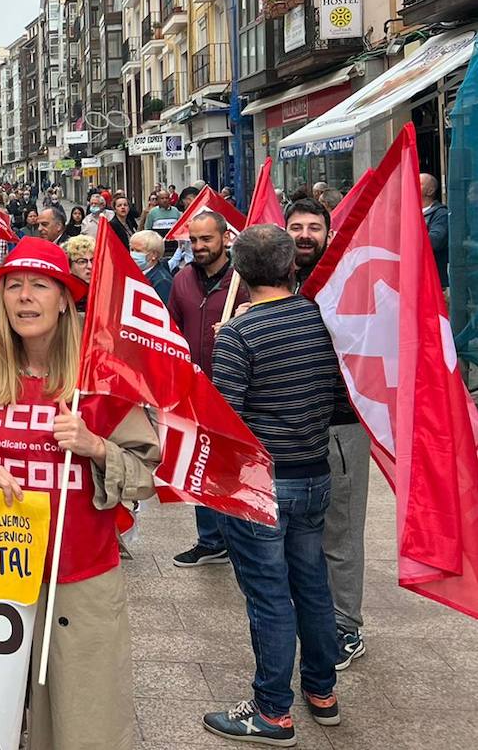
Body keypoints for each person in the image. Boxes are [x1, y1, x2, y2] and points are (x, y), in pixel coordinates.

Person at [0, 240, 160, 750]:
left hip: (80, 578)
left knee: (82, 727)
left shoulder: (102, 379)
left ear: (63, 298)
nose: (24, 297)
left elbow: (145, 473)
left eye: (39, 285)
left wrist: (97, 446)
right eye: (13, 285)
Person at [203, 226, 342, 742]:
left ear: (239, 273)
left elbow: (225, 420)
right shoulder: (320, 319)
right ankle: (322, 690)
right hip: (313, 471)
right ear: (290, 268)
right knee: (312, 583)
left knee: (268, 596)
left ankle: (271, 710)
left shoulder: (240, 334)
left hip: (262, 482)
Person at [283, 199, 369, 671]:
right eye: (295, 226)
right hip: (294, 428)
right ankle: (317, 616)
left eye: (314, 227)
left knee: (341, 530)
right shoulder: (279, 284)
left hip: (340, 424)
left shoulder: (346, 285)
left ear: (328, 234)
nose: (304, 234)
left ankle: (346, 624)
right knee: (304, 536)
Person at [167, 213, 249, 569]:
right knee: (200, 464)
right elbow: (172, 325)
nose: (199, 247)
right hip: (194, 386)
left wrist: (238, 322)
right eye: (194, 240)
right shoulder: (183, 279)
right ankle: (210, 540)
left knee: (233, 466)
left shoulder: (243, 282)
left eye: (207, 240)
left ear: (225, 238)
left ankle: (242, 538)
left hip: (235, 388)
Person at [286, 198, 331, 288]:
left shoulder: (342, 283)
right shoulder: (268, 279)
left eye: (314, 228)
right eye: (296, 228)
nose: (305, 235)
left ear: (329, 236)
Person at [421, 172, 450, 290]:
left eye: (419, 184)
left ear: (430, 191)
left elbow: (435, 241)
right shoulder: (408, 212)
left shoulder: (441, 214)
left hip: (433, 283)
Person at [130, 230, 174, 303]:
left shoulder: (162, 281)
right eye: (132, 249)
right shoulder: (137, 273)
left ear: (154, 255)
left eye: (138, 251)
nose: (133, 254)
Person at [61, 235, 94, 311]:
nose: (90, 266)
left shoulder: (104, 292)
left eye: (93, 260)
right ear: (69, 266)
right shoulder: (64, 296)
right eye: (82, 261)